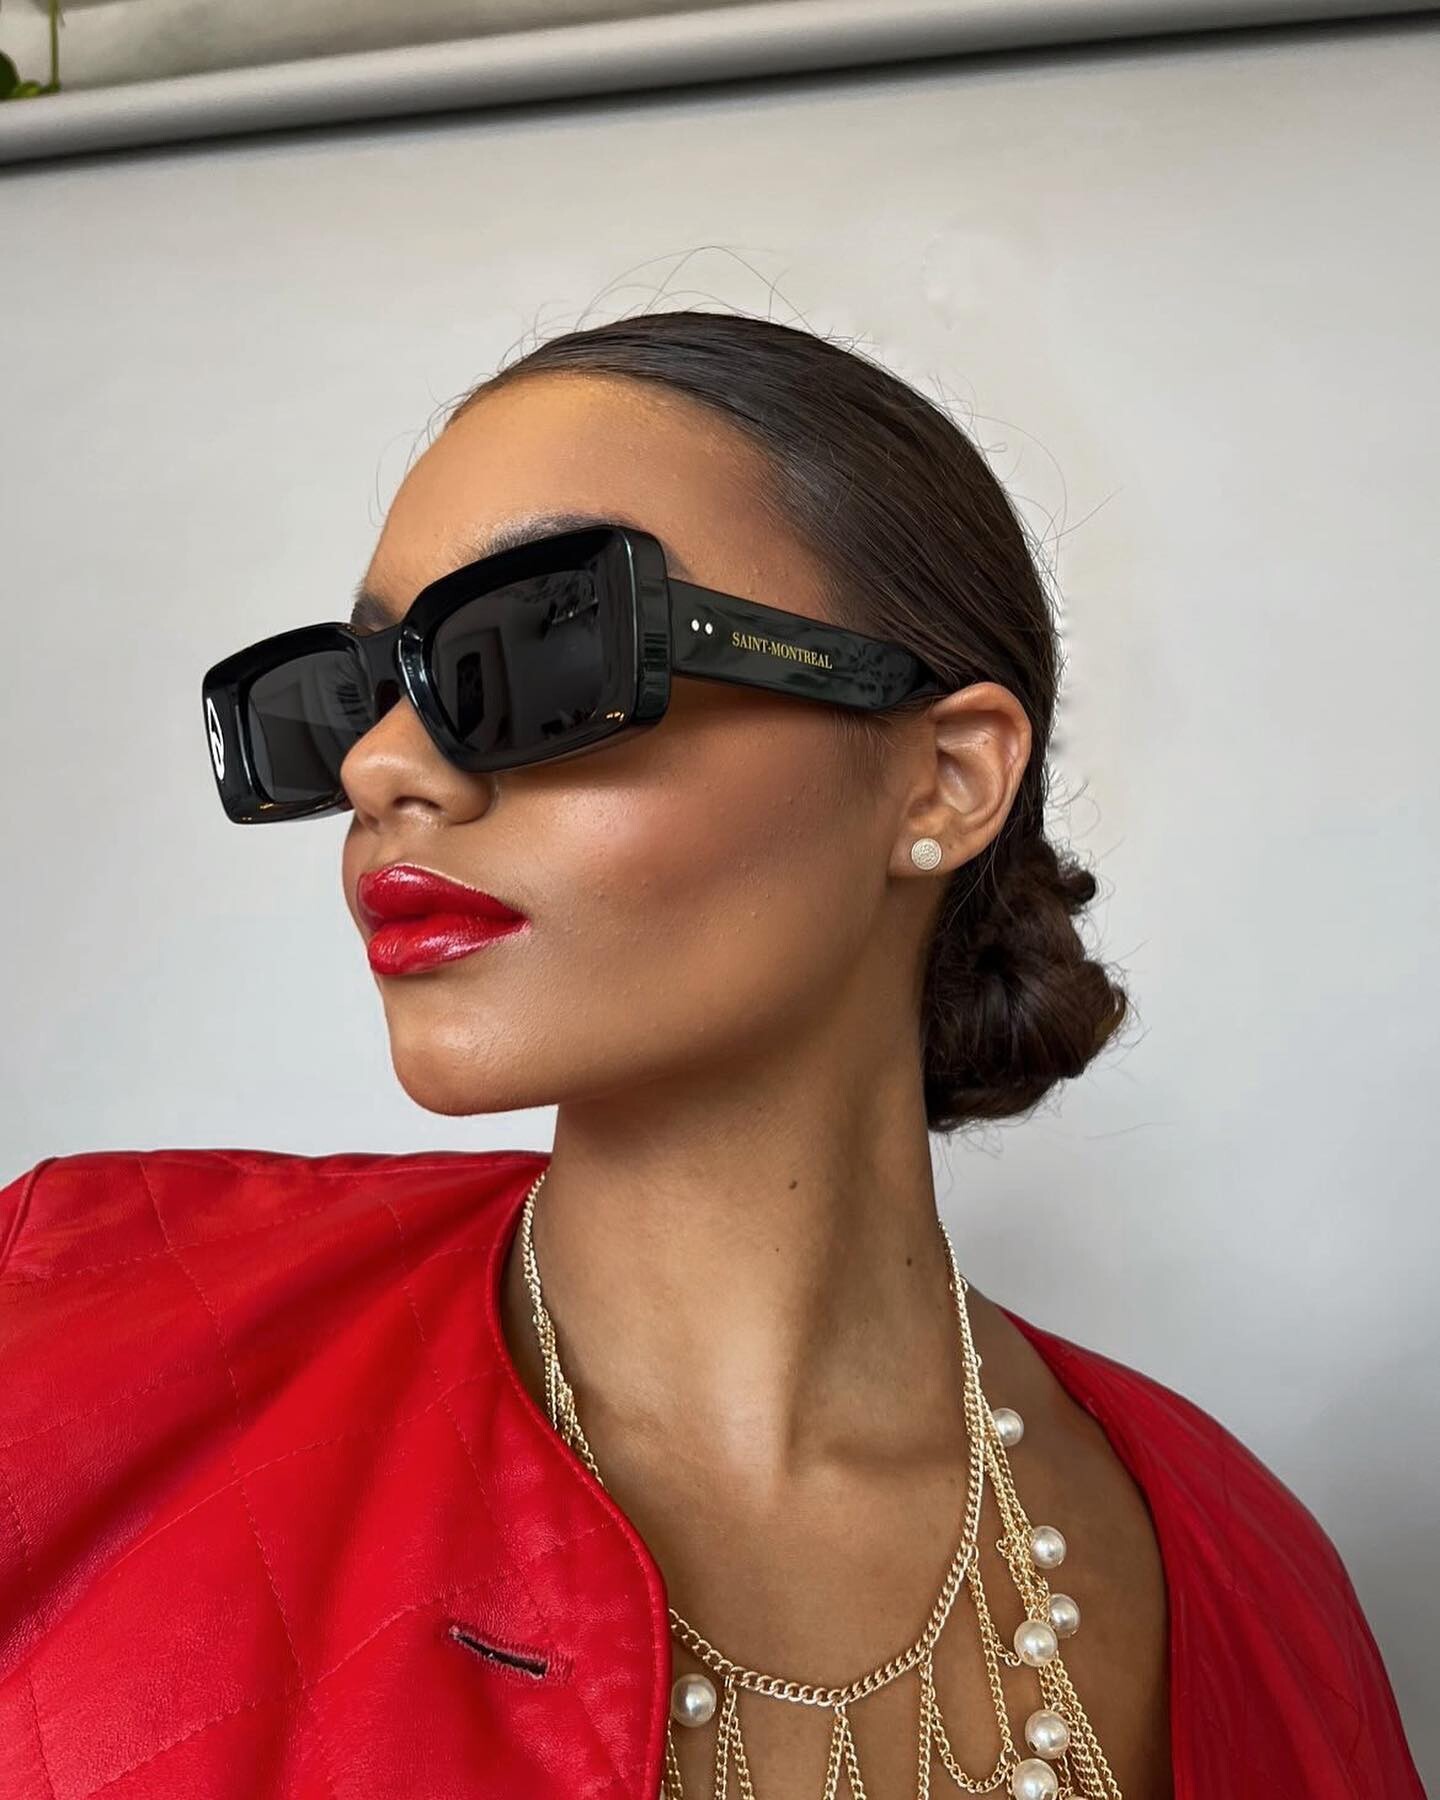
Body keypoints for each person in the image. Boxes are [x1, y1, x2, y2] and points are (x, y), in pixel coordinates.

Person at [0, 311, 1422, 1800]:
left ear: (943, 779)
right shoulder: (83, 1358)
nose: (380, 764)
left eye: (540, 654)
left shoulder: (1238, 1571)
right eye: (360, 694)